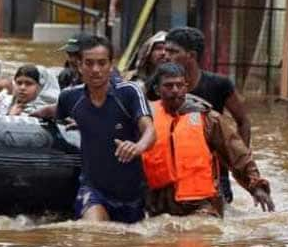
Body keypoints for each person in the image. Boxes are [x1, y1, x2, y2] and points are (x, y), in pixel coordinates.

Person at [34, 35, 155, 224]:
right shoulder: (70, 97)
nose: (95, 70)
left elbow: (150, 130)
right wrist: (21, 116)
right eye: (89, 63)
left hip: (132, 193)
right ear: (79, 65)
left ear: (110, 65)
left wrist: (138, 147)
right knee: (94, 234)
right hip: (94, 190)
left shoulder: (129, 92)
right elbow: (52, 111)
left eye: (102, 63)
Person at [143, 63, 273, 218]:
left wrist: (256, 186)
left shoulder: (208, 119)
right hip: (157, 205)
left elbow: (237, 153)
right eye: (169, 86)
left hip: (201, 204)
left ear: (186, 87)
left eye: (179, 85)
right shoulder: (145, 118)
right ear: (157, 89)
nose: (175, 90)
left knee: (201, 234)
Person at [162, 27, 252, 203]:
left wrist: (238, 162)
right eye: (165, 50)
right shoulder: (159, 87)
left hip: (215, 171)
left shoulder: (219, 85)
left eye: (173, 51)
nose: (166, 55)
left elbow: (243, 121)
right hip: (174, 170)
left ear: (192, 55)